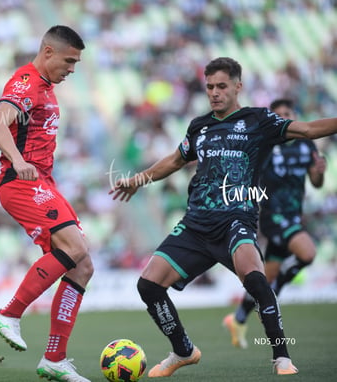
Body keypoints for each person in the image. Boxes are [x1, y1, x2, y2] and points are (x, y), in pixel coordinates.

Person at [110, 57, 337, 377]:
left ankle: (281, 357)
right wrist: (137, 180)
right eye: (210, 87)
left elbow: (309, 129)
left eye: (221, 86)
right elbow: (175, 161)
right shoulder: (199, 126)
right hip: (195, 223)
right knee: (148, 285)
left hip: (235, 219)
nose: (214, 93)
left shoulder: (259, 121)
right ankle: (183, 350)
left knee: (257, 279)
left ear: (237, 86)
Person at [0, 25, 93, 382]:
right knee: (75, 246)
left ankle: (54, 358)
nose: (72, 68)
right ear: (48, 52)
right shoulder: (26, 81)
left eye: (77, 63)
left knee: (82, 266)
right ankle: (10, 313)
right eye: (69, 61)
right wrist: (17, 160)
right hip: (23, 182)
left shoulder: (44, 87)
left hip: (41, 182)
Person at [223, 98, 326, 349]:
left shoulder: (306, 144)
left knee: (264, 278)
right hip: (273, 215)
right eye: (278, 115)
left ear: (294, 115)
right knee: (308, 253)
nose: (283, 118)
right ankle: (275, 292)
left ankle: (237, 318)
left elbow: (316, 183)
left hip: (294, 214)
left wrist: (318, 173)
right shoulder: (266, 145)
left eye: (287, 113)